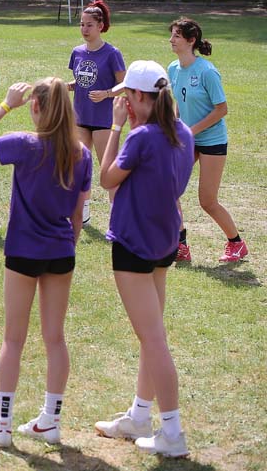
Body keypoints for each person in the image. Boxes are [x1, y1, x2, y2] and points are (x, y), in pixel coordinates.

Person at [0, 79, 92, 447]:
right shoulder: (81, 153)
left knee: (13, 339)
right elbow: (78, 215)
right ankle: (51, 420)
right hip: (61, 251)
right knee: (55, 338)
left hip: (23, 250)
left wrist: (6, 105)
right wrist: (69, 247)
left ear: (34, 106)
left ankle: (3, 424)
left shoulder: (24, 143)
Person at [94, 60, 193, 459]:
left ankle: (171, 432)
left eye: (127, 99)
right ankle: (139, 416)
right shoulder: (183, 132)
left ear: (138, 96)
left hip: (134, 243)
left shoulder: (140, 137)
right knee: (151, 335)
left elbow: (106, 178)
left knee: (153, 340)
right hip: (164, 240)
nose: (124, 105)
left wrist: (116, 127)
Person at [168, 18, 250, 263]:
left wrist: (191, 131)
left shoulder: (207, 72)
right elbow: (180, 102)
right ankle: (180, 245)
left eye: (177, 36)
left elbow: (221, 109)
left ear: (191, 40)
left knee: (207, 201)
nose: (171, 40)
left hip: (212, 140)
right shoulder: (173, 68)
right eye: (172, 35)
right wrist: (176, 125)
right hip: (188, 137)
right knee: (168, 188)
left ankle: (236, 243)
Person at [67, 0, 126, 223]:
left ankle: (117, 216)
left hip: (103, 119)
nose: (84, 29)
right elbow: (82, 79)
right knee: (79, 167)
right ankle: (83, 213)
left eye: (89, 25)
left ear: (100, 26)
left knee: (108, 170)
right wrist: (69, 85)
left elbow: (124, 84)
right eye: (82, 24)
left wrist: (107, 93)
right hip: (81, 116)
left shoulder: (112, 53)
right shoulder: (77, 52)